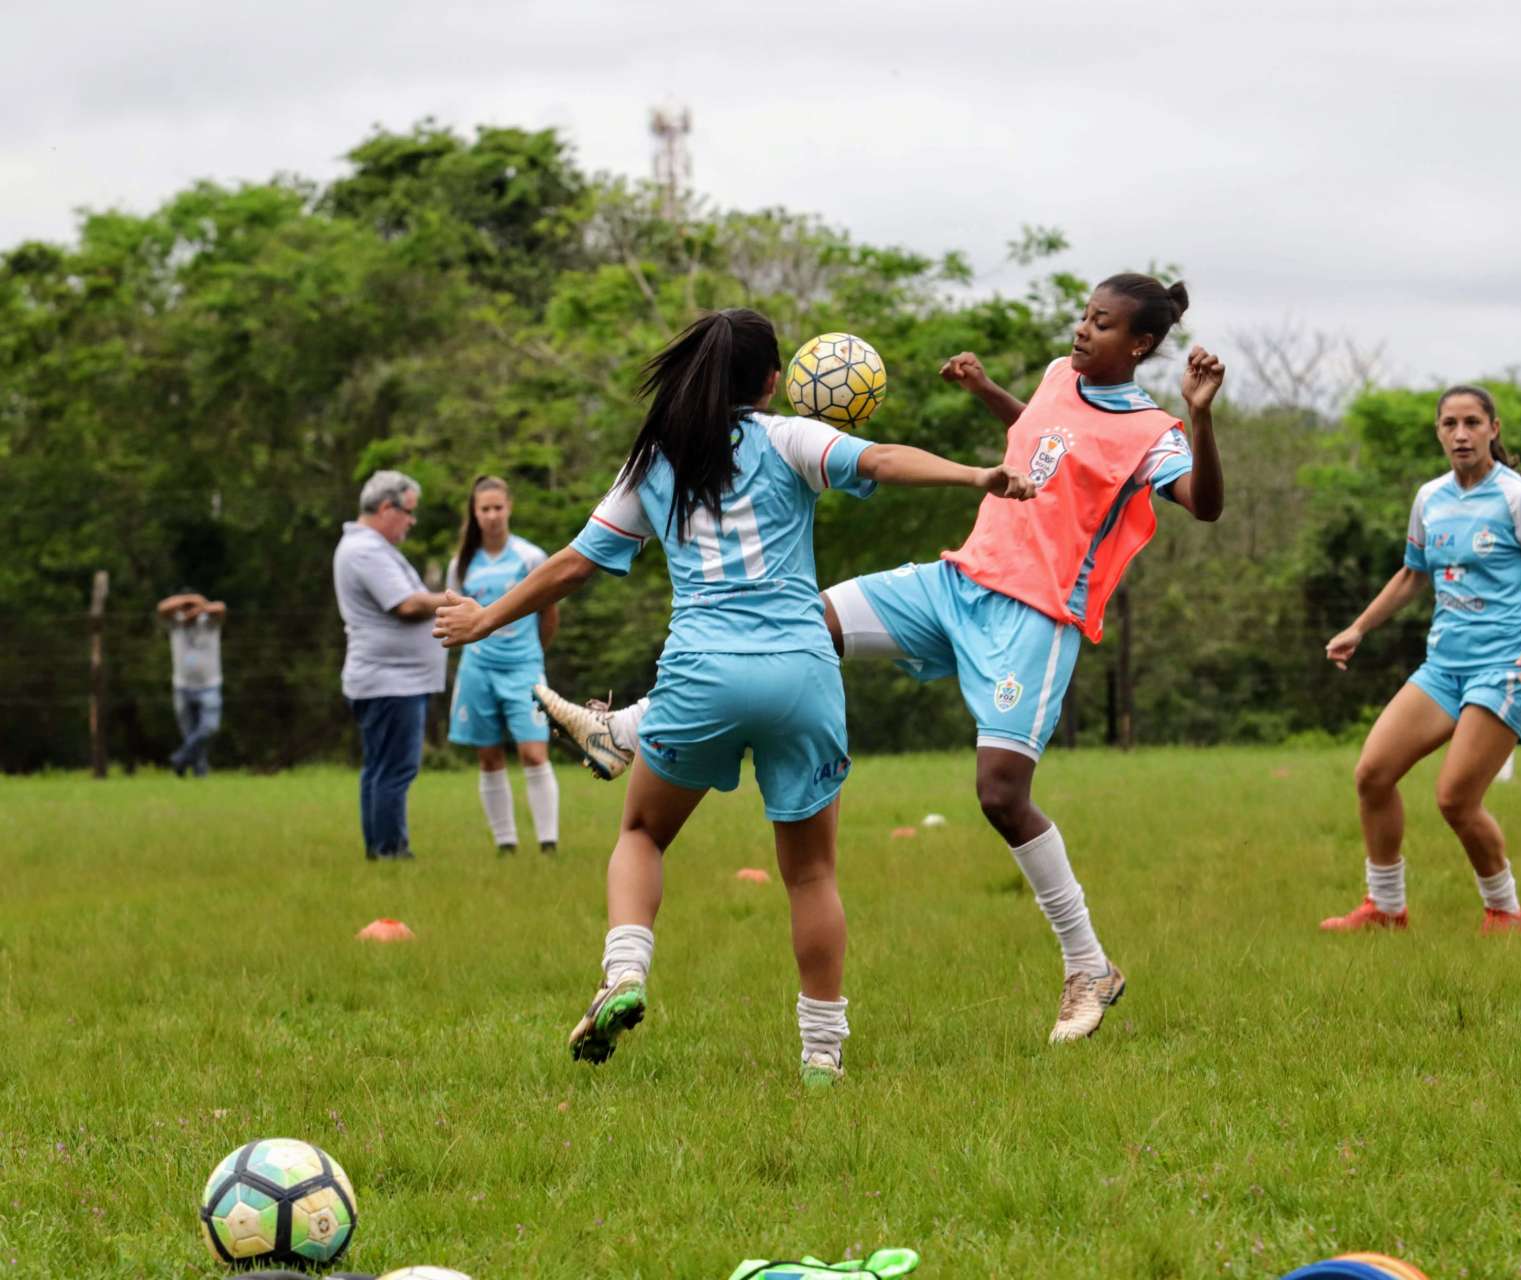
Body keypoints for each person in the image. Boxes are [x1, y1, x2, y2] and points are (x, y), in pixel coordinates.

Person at [433, 307, 1034, 1085]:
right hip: (802, 676)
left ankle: (625, 974)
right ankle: (822, 1055)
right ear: (773, 382)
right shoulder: (790, 436)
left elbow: (574, 564)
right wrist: (974, 474)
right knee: (811, 874)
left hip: (700, 678)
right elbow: (882, 459)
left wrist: (484, 617)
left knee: (643, 835)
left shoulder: (655, 459)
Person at [1321, 385, 1521, 934]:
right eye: (1450, 424)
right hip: (1443, 668)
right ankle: (1386, 909)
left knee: (1455, 799)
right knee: (1372, 774)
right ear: (1438, 431)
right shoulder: (1430, 498)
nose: (1461, 434)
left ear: (1493, 429)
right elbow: (1414, 573)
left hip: (1506, 668)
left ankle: (1505, 911)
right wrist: (1359, 628)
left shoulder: (1518, 498)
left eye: (1472, 423)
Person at [332, 470, 448, 861]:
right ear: (386, 508)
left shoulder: (368, 548)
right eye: (408, 512)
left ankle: (381, 849)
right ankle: (390, 851)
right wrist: (453, 599)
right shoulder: (366, 550)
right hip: (390, 682)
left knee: (381, 770)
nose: (412, 521)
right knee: (394, 771)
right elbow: (407, 605)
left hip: (389, 680)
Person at [446, 476, 562, 855]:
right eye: (485, 509)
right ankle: (506, 844)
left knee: (533, 752)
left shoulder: (530, 558)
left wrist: (534, 652)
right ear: (475, 514)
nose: (493, 515)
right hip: (478, 669)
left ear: (509, 508)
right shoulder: (462, 566)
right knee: (489, 755)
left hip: (523, 668)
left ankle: (548, 843)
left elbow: (548, 612)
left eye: (498, 507)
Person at [155, 588, 225, 776]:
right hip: (182, 686)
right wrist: (185, 601)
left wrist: (198, 605)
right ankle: (199, 774)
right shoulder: (176, 623)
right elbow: (161, 608)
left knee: (208, 728)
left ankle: (180, 758)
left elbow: (220, 608)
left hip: (209, 686)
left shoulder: (209, 623)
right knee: (190, 735)